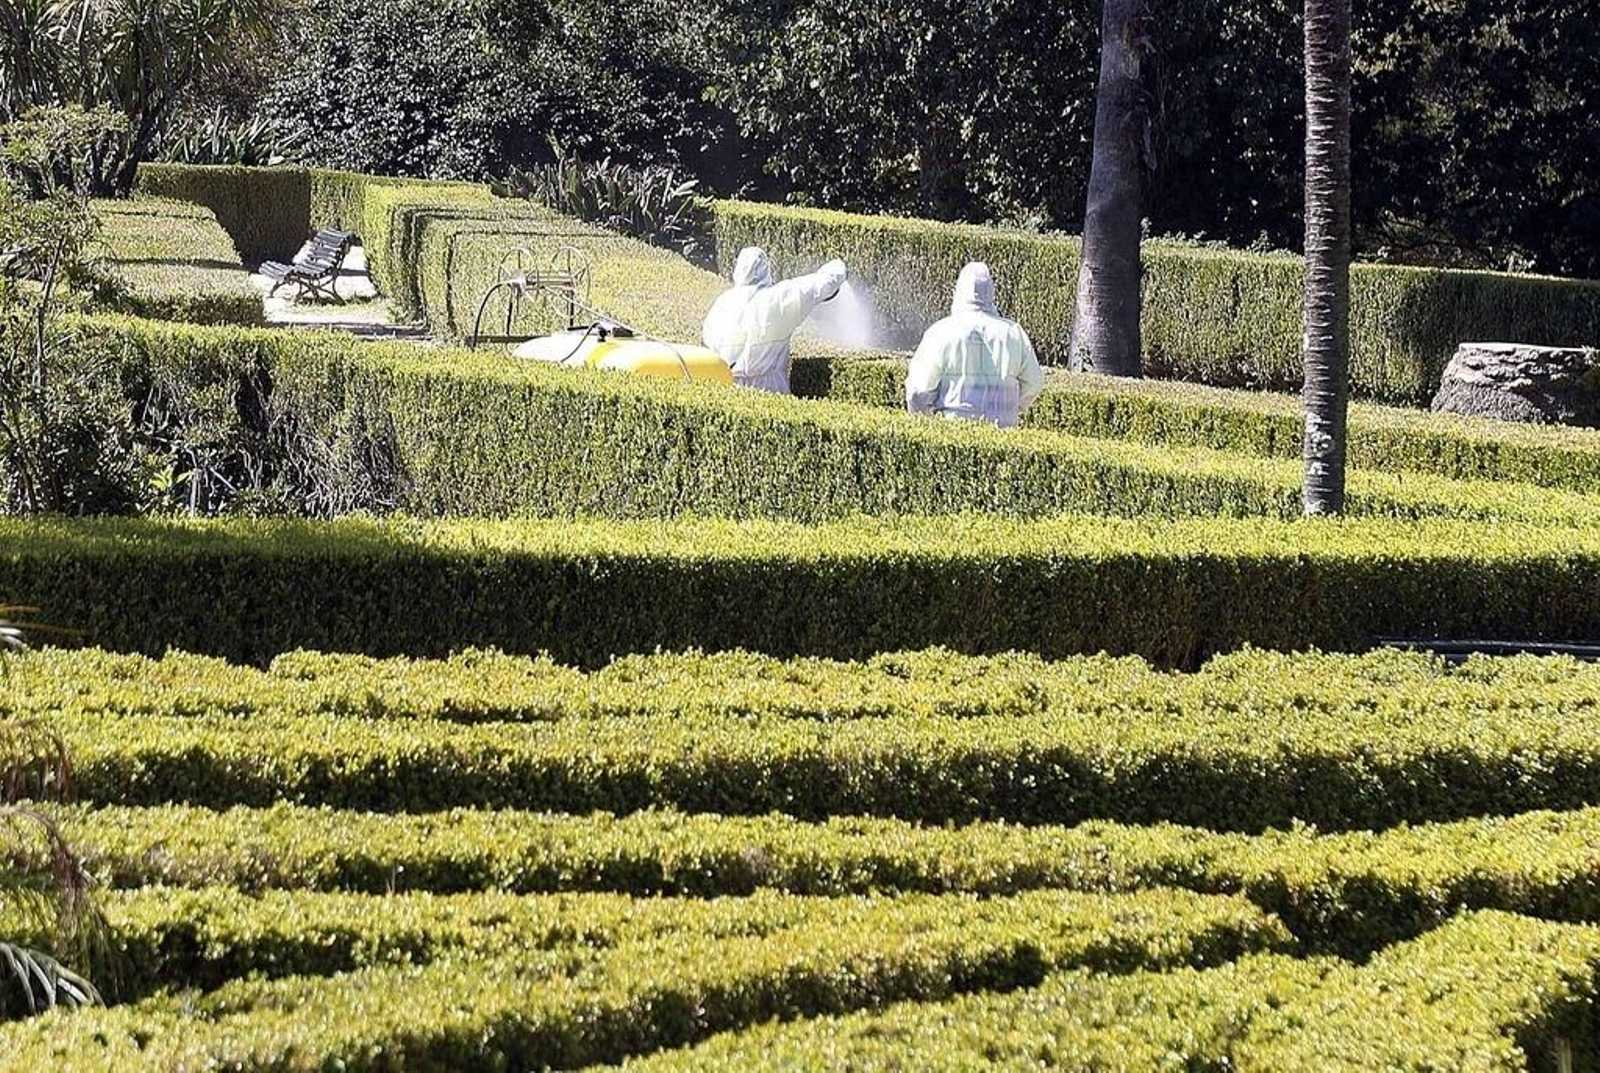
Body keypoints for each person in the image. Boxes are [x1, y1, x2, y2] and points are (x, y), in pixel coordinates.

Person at [905, 262, 1044, 427]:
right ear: (991, 291)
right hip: (1003, 432)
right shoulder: (1014, 333)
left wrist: (926, 421)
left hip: (952, 429)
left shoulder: (940, 331)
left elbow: (918, 390)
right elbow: (1034, 382)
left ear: (958, 290)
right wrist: (1013, 409)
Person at [703, 247, 849, 394]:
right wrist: (838, 267)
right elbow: (815, 286)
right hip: (769, 388)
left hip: (726, 387)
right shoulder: (774, 300)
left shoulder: (723, 303)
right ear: (765, 270)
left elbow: (707, 344)